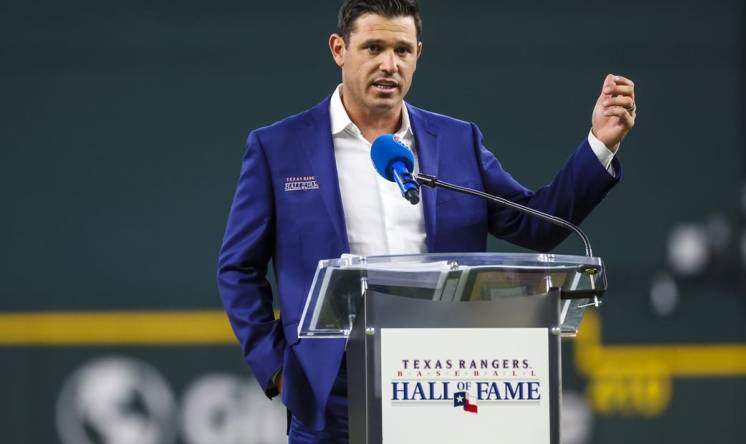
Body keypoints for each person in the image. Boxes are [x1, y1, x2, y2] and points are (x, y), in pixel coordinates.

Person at [217, 0, 636, 442]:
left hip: (444, 379)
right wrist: (279, 369)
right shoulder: (278, 147)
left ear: (418, 54)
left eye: (402, 50)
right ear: (339, 49)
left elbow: (539, 224)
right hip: (331, 388)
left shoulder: (457, 142)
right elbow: (237, 269)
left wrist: (600, 146)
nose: (389, 64)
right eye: (373, 47)